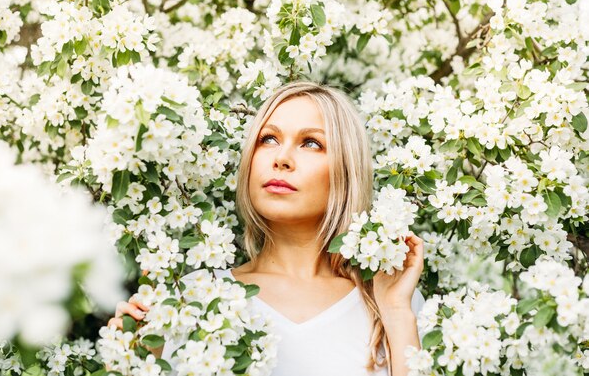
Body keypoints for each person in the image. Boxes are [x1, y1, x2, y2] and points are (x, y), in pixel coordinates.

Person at [109, 81, 426, 376]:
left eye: (311, 143)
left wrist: (397, 313)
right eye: (269, 139)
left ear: (345, 170)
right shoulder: (191, 297)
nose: (282, 158)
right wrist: (135, 357)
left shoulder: (391, 302)